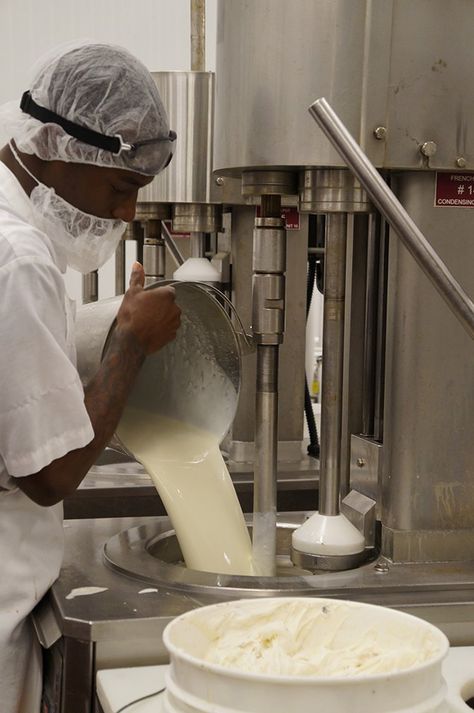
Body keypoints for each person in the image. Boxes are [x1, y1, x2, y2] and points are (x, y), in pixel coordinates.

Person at [0, 42, 181, 712]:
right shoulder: (19, 258)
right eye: (122, 187)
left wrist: (113, 324)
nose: (128, 214)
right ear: (59, 147)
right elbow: (48, 475)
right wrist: (129, 346)